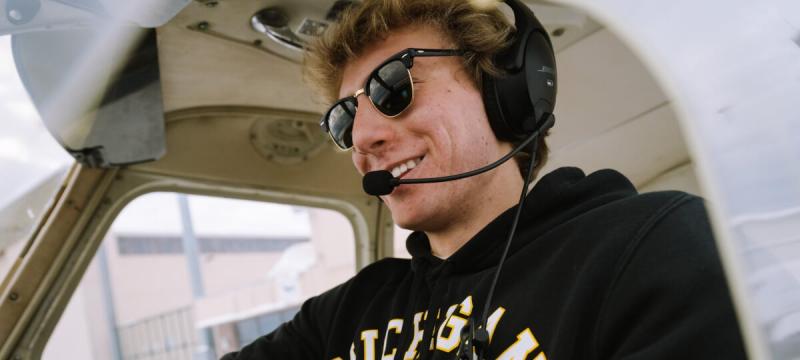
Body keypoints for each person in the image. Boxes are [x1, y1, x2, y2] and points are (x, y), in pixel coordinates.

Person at [222, 0, 747, 358]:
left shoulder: (652, 249)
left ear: (506, 92)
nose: (362, 138)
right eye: (344, 118)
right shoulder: (345, 314)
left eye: (392, 87)